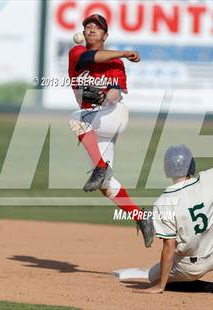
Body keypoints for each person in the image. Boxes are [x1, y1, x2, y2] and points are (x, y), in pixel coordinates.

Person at [68, 14, 154, 247]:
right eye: (88, 27)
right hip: (96, 121)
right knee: (106, 186)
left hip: (113, 115)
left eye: (97, 27)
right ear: (83, 33)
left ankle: (100, 167)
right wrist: (125, 52)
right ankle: (142, 218)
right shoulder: (77, 53)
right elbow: (91, 58)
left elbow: (116, 93)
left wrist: (107, 98)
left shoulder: (116, 64)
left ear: (105, 35)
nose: (91, 29)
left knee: (76, 119)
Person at [136, 112, 213, 293]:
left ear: (167, 169)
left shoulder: (164, 203)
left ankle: (211, 287)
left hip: (190, 266)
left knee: (152, 275)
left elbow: (169, 248)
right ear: (191, 166)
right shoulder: (209, 180)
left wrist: (160, 286)